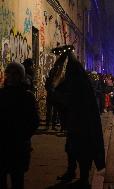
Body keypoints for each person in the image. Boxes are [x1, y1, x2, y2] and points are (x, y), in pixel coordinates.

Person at [49, 45, 105, 188]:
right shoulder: (74, 76)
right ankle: (71, 171)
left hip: (82, 122)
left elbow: (73, 99)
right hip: (75, 121)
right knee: (71, 148)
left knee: (82, 151)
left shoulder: (77, 79)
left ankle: (84, 178)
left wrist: (58, 96)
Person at [0, 63, 39, 189]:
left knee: (17, 180)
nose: (11, 76)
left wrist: (23, 136)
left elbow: (34, 121)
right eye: (9, 73)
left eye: (15, 73)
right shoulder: (2, 94)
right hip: (4, 145)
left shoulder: (27, 97)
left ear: (21, 76)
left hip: (18, 146)